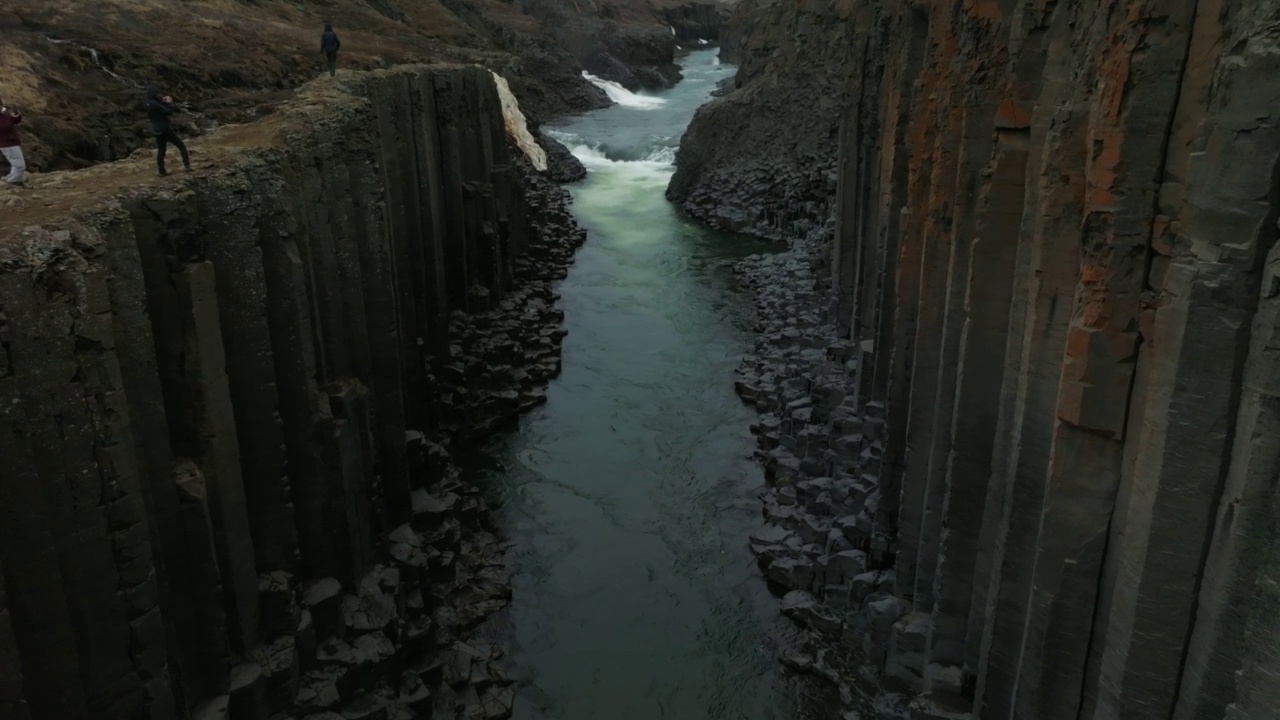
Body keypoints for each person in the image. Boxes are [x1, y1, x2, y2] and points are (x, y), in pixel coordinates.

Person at [145, 85, 190, 176]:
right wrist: (169, 103)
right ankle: (187, 165)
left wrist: (163, 102)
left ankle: (161, 170)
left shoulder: (148, 103)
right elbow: (168, 112)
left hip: (156, 129)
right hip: (165, 128)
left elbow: (159, 109)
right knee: (181, 145)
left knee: (161, 150)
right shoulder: (155, 104)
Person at [0, 99, 25, 186]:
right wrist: (9, 116)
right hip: (7, 144)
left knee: (16, 164)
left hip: (10, 142)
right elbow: (5, 127)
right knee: (19, 166)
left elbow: (16, 120)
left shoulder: (4, 112)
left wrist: (16, 114)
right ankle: (12, 181)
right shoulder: (4, 114)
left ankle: (15, 180)